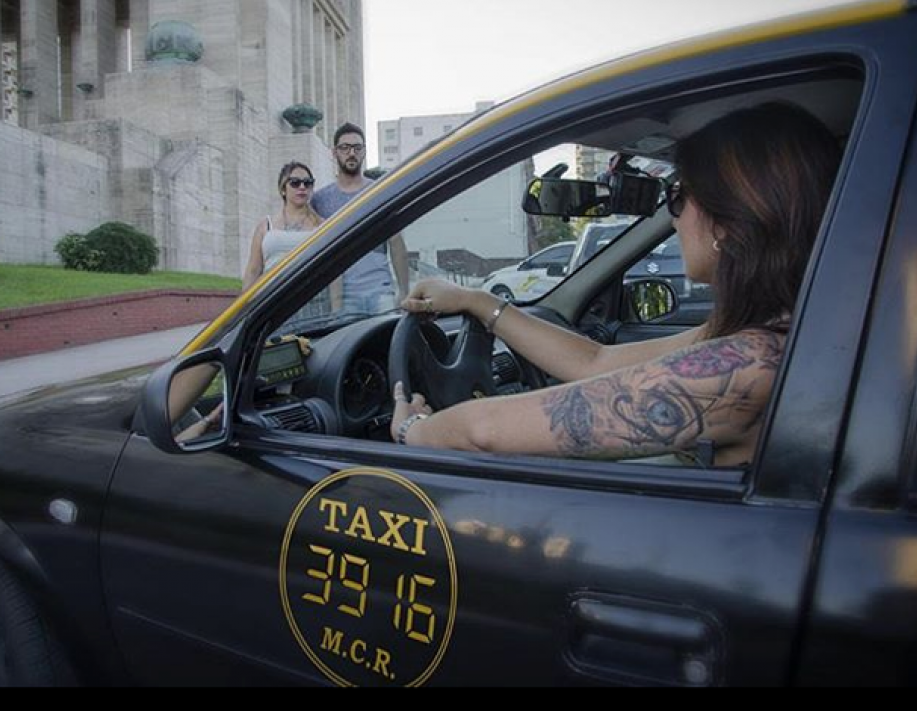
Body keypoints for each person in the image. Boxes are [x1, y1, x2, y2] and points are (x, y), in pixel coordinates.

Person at [391, 102, 843, 468]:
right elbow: (595, 361)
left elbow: (483, 433)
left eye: (680, 197)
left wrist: (414, 431)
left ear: (727, 223)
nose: (675, 216)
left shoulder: (749, 367)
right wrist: (477, 300)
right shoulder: (768, 335)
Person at [313, 123, 410, 314]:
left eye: (357, 148)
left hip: (380, 290)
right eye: (345, 148)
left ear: (364, 151)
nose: (351, 153)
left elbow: (396, 242)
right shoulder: (320, 199)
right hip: (341, 296)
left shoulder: (380, 192)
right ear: (334, 153)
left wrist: (404, 291)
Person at [243, 163, 341, 313]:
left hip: (314, 306)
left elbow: (333, 272)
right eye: (295, 183)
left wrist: (336, 311)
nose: (302, 187)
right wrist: (243, 312)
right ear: (283, 189)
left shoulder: (324, 226)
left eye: (307, 183)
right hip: (273, 305)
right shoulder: (265, 226)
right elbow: (253, 270)